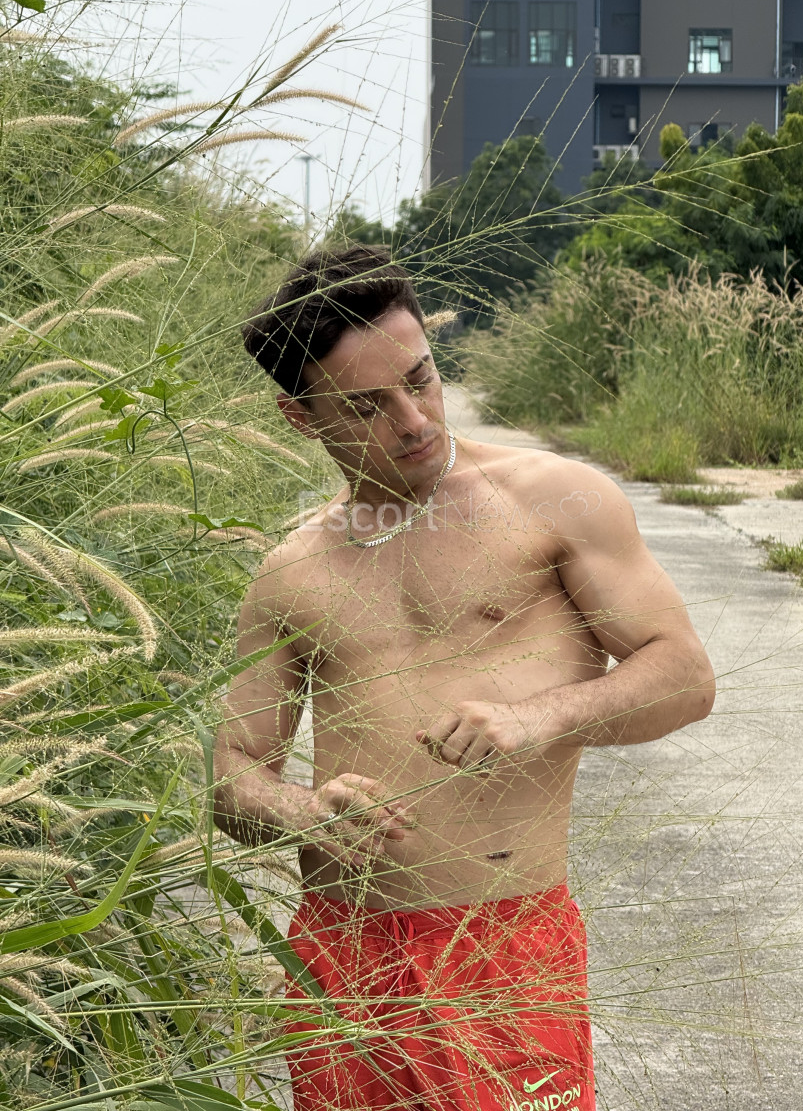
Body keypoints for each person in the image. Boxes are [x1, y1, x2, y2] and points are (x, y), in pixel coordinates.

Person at [214, 245, 716, 1111]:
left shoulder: (552, 500)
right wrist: (301, 811)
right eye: (367, 405)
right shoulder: (291, 570)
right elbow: (229, 774)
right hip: (344, 958)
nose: (414, 421)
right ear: (301, 417)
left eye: (422, 379)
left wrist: (541, 716)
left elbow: (686, 677)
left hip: (504, 950)